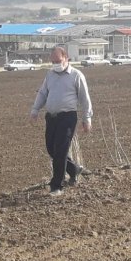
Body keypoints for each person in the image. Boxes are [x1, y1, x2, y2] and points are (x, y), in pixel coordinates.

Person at [30, 46, 92, 196]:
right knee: (52, 149)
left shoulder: (76, 75)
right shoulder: (50, 75)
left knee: (61, 150)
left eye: (58, 61)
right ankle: (74, 169)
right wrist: (35, 110)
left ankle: (56, 185)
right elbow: (43, 93)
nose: (55, 64)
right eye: (53, 61)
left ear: (66, 58)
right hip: (51, 118)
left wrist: (87, 118)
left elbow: (85, 98)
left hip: (67, 117)